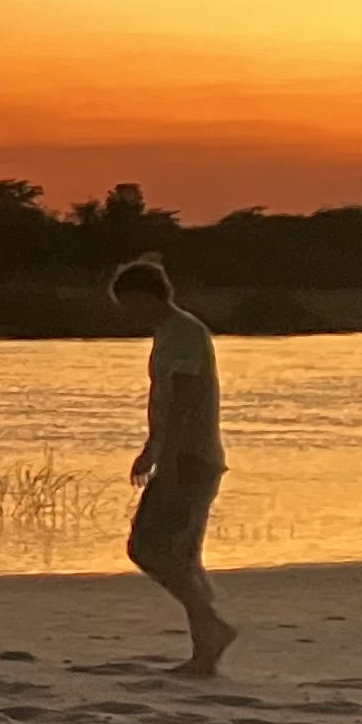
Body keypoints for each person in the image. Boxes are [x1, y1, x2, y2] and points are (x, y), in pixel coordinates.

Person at [111, 256, 236, 674]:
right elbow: (166, 405)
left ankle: (212, 629)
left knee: (148, 548)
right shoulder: (170, 334)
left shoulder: (182, 334)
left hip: (190, 458)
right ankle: (206, 649)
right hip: (183, 454)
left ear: (144, 297)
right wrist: (151, 448)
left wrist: (170, 458)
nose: (126, 314)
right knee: (180, 555)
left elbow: (184, 399)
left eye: (127, 304)